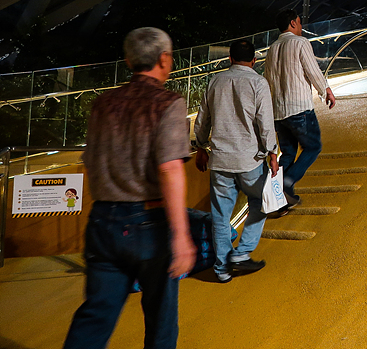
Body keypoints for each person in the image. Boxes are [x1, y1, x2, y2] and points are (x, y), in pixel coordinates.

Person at [63, 28, 195, 349]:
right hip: (150, 223)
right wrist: (181, 235)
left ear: (128, 61)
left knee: (95, 316)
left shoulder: (102, 104)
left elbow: (90, 162)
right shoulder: (169, 103)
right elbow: (169, 169)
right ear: (164, 59)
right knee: (160, 319)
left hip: (103, 221)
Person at [193, 39, 279, 283]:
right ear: (254, 61)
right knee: (260, 204)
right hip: (249, 160)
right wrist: (272, 152)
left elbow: (202, 119)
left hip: (220, 161)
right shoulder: (258, 82)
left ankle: (221, 270)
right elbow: (265, 123)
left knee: (220, 216)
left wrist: (201, 147)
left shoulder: (215, 82)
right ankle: (241, 253)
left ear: (229, 59)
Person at [264, 9, 336, 211]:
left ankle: (278, 201)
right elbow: (312, 69)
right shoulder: (300, 42)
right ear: (293, 23)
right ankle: (287, 184)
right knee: (313, 147)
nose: (301, 26)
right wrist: (326, 91)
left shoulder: (272, 48)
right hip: (299, 109)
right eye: (300, 22)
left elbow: (268, 81)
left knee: (287, 154)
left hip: (278, 112)